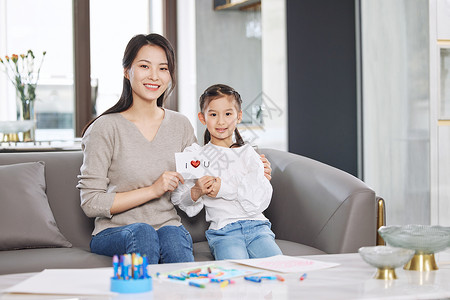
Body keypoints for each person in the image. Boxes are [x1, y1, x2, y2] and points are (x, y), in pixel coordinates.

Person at [77, 34, 272, 264]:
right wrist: (153, 190)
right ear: (126, 70)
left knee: (173, 236)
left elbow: (203, 169)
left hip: (167, 226)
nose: (154, 76)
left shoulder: (180, 125)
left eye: (163, 68)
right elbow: (91, 202)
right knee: (144, 233)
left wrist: (254, 171)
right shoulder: (104, 127)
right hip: (115, 231)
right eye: (144, 66)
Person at [171, 84, 282, 260]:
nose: (221, 121)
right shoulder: (196, 156)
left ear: (239, 117)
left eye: (228, 114)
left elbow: (257, 200)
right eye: (213, 114)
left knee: (278, 267)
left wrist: (223, 187)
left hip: (258, 227)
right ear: (202, 118)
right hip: (224, 232)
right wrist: (196, 191)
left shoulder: (249, 154)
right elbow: (180, 200)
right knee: (234, 275)